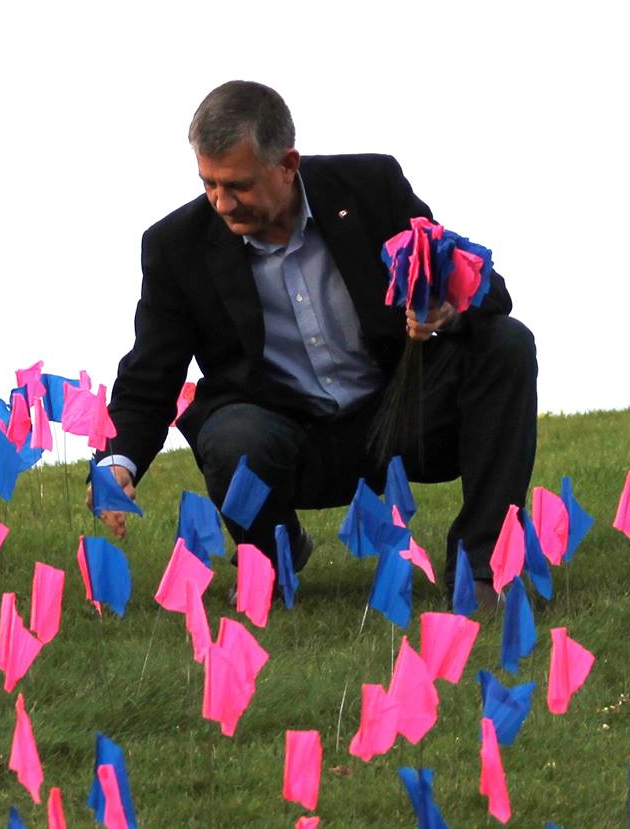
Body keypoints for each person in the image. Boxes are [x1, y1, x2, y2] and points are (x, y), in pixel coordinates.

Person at [90, 80, 537, 604]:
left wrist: (446, 307)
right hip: (290, 438)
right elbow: (151, 373)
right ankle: (274, 560)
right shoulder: (174, 246)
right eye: (209, 183)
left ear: (287, 164)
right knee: (231, 432)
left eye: (238, 185)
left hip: (402, 416)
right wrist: (117, 464)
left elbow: (485, 288)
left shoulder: (371, 185)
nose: (222, 202)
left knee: (507, 344)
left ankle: (484, 568)